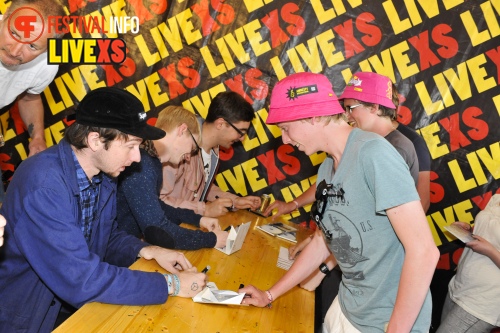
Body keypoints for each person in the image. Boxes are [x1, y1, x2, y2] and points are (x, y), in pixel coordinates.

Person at [240, 72, 439, 333]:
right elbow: (324, 241)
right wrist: (269, 295)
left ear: (313, 116)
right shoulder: (326, 169)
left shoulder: (374, 153)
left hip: (385, 322)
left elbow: (424, 252)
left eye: (286, 129)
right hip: (348, 308)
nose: (285, 140)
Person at [0, 87, 207, 332]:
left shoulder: (103, 174)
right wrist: (170, 284)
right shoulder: (43, 184)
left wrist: (145, 250)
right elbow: (80, 279)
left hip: (67, 306)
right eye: (130, 146)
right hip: (28, 317)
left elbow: (105, 236)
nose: (137, 158)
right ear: (95, 140)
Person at [117, 105, 228, 250]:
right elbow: (157, 231)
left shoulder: (151, 162)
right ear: (182, 130)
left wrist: (198, 219)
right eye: (193, 148)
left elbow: (157, 208)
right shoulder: (143, 164)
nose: (189, 157)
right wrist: (211, 239)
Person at [0, 0, 66, 202]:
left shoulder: (46, 65)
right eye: (14, 33)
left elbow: (29, 97)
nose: (15, 50)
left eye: (32, 46)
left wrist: (37, 138)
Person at [160, 91, 261, 217]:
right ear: (220, 124)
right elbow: (159, 201)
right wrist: (204, 209)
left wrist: (234, 201)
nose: (242, 138)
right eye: (240, 132)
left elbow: (200, 187)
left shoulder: (214, 152)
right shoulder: (178, 150)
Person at [436, 194, 500, 333]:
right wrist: (469, 231)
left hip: (483, 301)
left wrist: (490, 251)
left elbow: (492, 245)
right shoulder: (497, 199)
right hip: (460, 286)